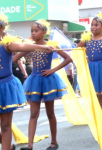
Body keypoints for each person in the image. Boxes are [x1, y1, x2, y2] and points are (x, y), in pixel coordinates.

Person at [15, 19, 71, 150]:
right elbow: (14, 58)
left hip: (47, 81)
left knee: (50, 113)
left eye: (36, 30)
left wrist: (52, 70)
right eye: (31, 31)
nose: (33, 33)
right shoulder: (31, 46)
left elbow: (69, 58)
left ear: (44, 32)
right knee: (33, 114)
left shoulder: (51, 45)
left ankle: (54, 142)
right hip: (34, 81)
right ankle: (30, 145)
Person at [0, 13, 54, 150]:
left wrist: (42, 47)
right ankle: (9, 146)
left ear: (2, 28)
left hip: (5, 86)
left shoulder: (8, 44)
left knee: (6, 126)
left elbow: (23, 48)